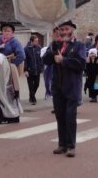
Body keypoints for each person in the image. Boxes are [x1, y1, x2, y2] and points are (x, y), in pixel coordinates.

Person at [42, 20, 85, 158]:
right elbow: (46, 61)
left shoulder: (79, 45)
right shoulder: (56, 44)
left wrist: (64, 61)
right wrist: (53, 47)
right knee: (60, 116)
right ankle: (62, 144)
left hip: (72, 86)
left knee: (70, 116)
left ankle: (71, 146)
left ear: (72, 30)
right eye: (62, 29)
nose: (64, 32)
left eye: (66, 29)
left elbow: (81, 64)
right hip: (57, 86)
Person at [0, 53, 22, 124]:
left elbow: (16, 80)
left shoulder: (11, 67)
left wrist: (17, 91)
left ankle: (13, 117)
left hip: (10, 91)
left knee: (11, 104)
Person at [24, 35, 43, 105]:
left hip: (37, 70)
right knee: (30, 85)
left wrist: (41, 68)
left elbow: (41, 59)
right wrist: (25, 70)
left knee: (37, 84)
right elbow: (24, 60)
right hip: (29, 70)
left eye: (37, 41)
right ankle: (33, 99)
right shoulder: (26, 49)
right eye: (36, 41)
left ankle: (31, 95)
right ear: (31, 41)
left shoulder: (39, 48)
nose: (37, 42)